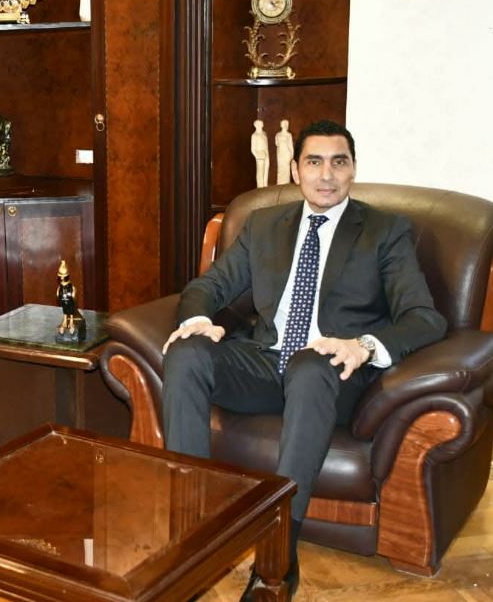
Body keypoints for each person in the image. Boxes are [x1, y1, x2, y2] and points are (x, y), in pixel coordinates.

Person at [160, 120, 446, 600]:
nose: (326, 174)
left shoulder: (384, 231)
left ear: (353, 169)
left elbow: (424, 317)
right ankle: (192, 537)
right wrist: (199, 321)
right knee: (187, 353)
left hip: (332, 374)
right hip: (264, 360)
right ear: (296, 171)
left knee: (311, 365)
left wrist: (362, 345)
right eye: (314, 162)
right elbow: (208, 287)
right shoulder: (264, 225)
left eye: (338, 162)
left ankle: (278, 554)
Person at [251, 119, 270, 188]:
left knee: (266, 170)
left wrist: (267, 154)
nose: (261, 125)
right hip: (259, 155)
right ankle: (260, 187)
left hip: (266, 153)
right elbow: (253, 149)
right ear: (256, 125)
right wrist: (257, 156)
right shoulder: (254, 135)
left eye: (262, 124)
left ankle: (265, 185)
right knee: (260, 172)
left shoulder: (264, 134)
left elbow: (266, 145)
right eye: (259, 124)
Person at [275, 118, 294, 184]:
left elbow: (290, 145)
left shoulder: (289, 135)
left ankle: (286, 182)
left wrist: (292, 155)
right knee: (280, 168)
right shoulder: (277, 135)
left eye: (284, 123)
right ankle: (280, 182)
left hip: (286, 153)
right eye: (282, 123)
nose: (282, 124)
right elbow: (277, 144)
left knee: (286, 168)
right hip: (280, 153)